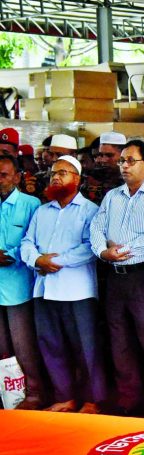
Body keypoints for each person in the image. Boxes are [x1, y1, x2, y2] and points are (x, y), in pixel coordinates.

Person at [90, 140, 144, 418]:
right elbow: (97, 227)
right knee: (120, 341)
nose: (124, 166)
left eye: (130, 160)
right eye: (122, 161)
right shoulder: (112, 196)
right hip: (115, 277)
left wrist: (121, 250)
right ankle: (129, 400)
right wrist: (104, 251)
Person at [20, 155, 106, 414]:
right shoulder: (41, 211)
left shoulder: (91, 211)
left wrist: (55, 262)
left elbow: (90, 248)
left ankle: (93, 400)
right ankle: (65, 397)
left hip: (77, 290)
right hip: (44, 290)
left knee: (86, 347)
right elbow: (26, 242)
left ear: (77, 179)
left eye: (63, 173)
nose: (56, 177)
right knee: (52, 346)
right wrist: (37, 259)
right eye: (54, 173)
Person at [0, 154, 45, 409]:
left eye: (4, 175)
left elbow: (35, 241)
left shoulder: (31, 204)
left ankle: (35, 392)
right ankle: (7, 394)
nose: (0, 180)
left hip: (20, 287)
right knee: (2, 347)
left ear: (18, 177)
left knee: (24, 344)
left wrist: (13, 255)